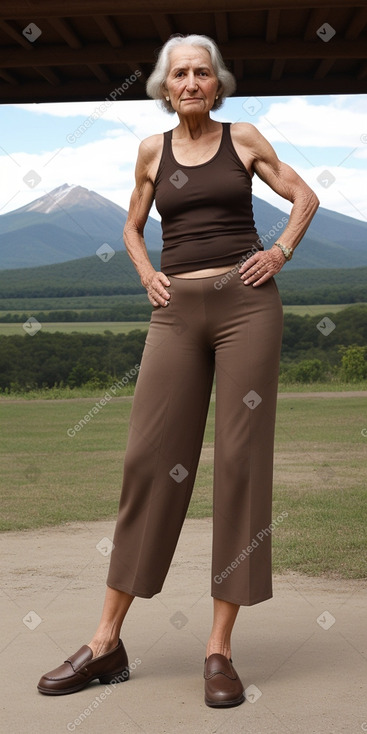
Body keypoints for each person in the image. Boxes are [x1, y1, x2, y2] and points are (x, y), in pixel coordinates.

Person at [37, 33, 319, 707]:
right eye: (179, 74)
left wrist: (277, 253)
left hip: (246, 307)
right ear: (165, 87)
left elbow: (302, 196)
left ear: (216, 85)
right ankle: (105, 643)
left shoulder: (243, 138)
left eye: (201, 73)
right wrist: (144, 275)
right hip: (175, 312)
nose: (190, 82)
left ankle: (218, 649)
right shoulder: (150, 151)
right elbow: (133, 226)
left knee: (240, 463)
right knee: (148, 459)